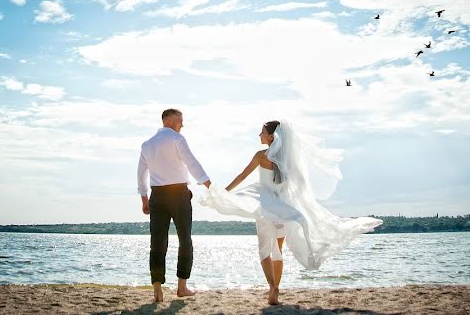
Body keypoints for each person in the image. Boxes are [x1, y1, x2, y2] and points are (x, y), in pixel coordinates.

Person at [201, 120, 382, 306]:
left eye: (262, 132)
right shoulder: (287, 159)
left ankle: (272, 287)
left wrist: (221, 192)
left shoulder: (261, 156)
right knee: (277, 250)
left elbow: (241, 176)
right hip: (282, 209)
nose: (259, 135)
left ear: (272, 136)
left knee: (264, 251)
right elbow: (301, 186)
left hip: (264, 206)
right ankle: (275, 291)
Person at [137, 108, 211, 303]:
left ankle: (157, 290)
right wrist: (208, 184)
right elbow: (192, 163)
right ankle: (182, 287)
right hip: (178, 194)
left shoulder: (146, 145)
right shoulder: (178, 139)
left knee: (157, 242)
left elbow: (140, 174)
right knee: (185, 239)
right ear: (168, 120)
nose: (182, 125)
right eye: (180, 120)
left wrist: (144, 198)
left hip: (157, 196)